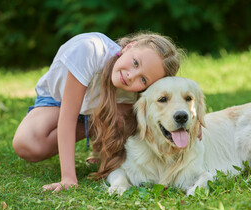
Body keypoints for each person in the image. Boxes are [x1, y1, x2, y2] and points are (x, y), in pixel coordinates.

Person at [12, 32, 183, 192]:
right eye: (136, 63)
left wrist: (187, 127)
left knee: (130, 116)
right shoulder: (90, 50)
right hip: (57, 104)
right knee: (26, 144)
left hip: (97, 110)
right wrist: (68, 178)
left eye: (143, 79)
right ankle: (98, 130)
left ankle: (100, 132)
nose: (132, 75)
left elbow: (170, 99)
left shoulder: (131, 87)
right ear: (129, 46)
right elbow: (68, 118)